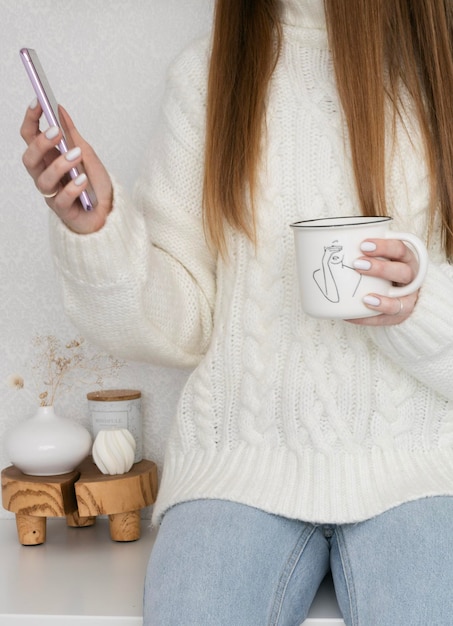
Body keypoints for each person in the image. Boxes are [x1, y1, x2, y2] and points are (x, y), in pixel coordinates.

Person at [20, 1, 453, 624]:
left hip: (423, 465)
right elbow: (186, 318)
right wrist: (100, 232)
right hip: (240, 463)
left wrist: (419, 305)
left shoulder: (436, 69)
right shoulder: (208, 75)